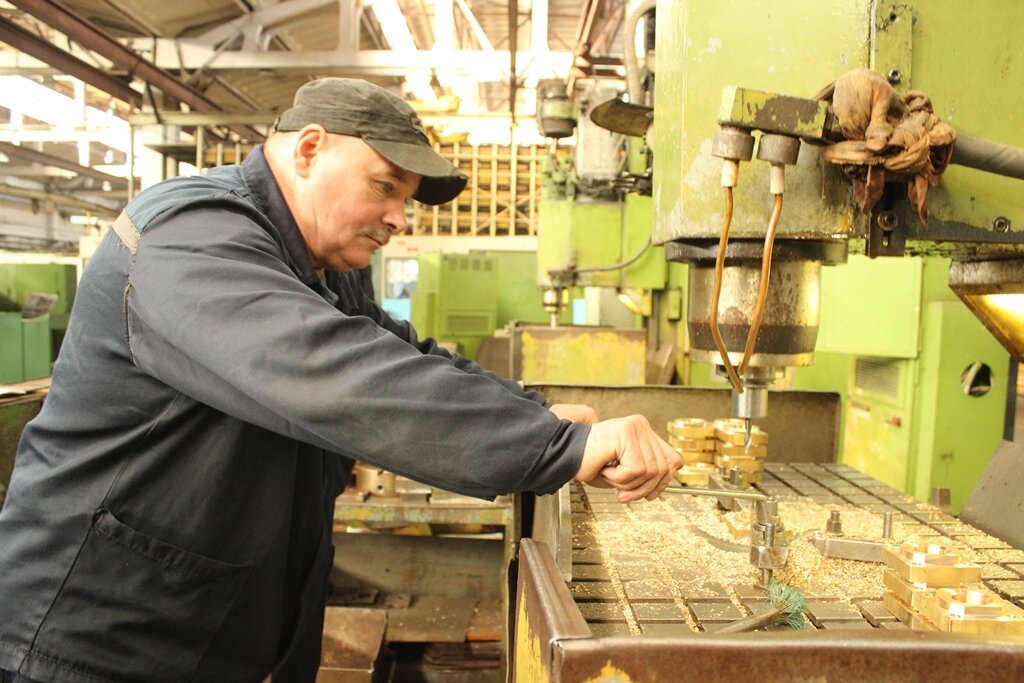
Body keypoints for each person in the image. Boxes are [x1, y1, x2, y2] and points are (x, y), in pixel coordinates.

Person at [0, 78, 679, 683]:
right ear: (308, 150)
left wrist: (539, 413)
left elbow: (398, 352)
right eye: (385, 186)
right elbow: (347, 376)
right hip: (90, 638)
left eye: (406, 200)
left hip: (207, 622)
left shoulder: (318, 264)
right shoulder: (190, 236)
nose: (399, 219)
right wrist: (556, 448)